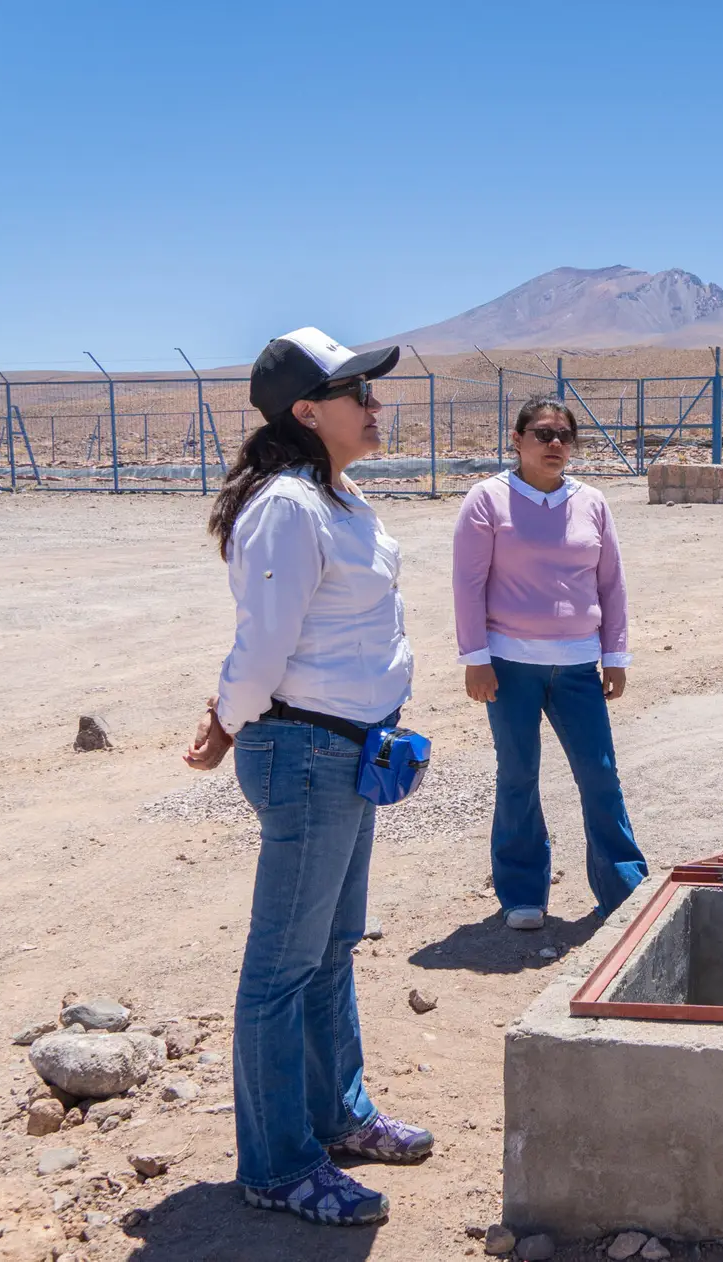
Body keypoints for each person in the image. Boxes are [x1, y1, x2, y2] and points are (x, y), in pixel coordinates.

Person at [182, 327, 433, 1227]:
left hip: (350, 750)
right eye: (357, 393)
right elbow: (263, 645)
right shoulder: (288, 507)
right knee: (283, 967)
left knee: (331, 948)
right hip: (307, 754)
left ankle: (339, 1116)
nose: (375, 404)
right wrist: (226, 721)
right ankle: (278, 1164)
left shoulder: (338, 495)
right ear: (307, 411)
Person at [452, 398, 648, 930]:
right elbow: (468, 584)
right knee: (518, 774)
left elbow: (611, 583)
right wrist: (475, 657)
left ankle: (623, 888)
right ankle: (522, 893)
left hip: (579, 665)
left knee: (599, 774)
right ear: (517, 440)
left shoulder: (593, 502)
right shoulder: (487, 500)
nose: (555, 443)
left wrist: (615, 655)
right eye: (542, 433)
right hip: (509, 664)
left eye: (564, 435)